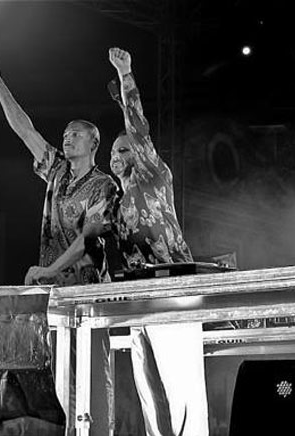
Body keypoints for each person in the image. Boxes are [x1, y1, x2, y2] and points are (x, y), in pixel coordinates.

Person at [0, 61, 118, 435]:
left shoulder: (104, 185)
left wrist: (48, 270)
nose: (67, 138)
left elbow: (88, 240)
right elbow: (24, 129)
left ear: (93, 143)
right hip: (53, 293)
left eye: (76, 134)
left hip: (87, 294)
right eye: (65, 134)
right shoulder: (56, 171)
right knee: (55, 376)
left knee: (90, 374)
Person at [108, 47, 210, 436]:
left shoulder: (154, 175)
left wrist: (126, 77)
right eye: (113, 151)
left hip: (175, 288)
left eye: (123, 149)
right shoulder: (116, 204)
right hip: (140, 295)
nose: (117, 155)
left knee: (181, 387)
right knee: (149, 390)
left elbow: (138, 127)